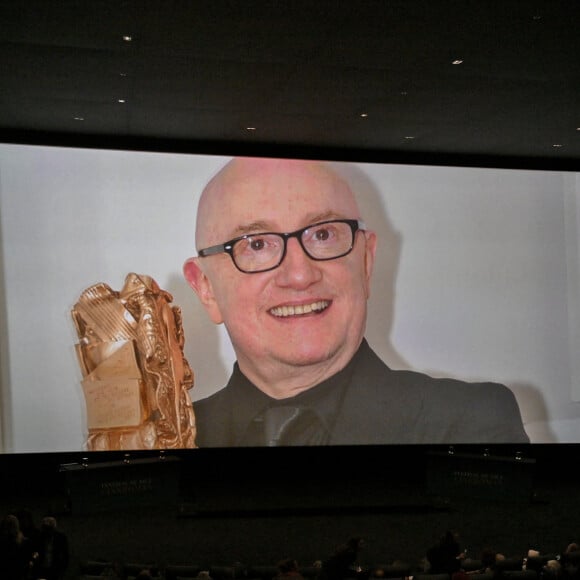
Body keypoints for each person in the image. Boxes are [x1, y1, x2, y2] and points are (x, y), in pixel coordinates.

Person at [183, 156, 530, 447]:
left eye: (322, 234)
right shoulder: (164, 442)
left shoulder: (468, 426)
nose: (300, 274)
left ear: (365, 263)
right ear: (205, 288)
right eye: (257, 244)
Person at [30, 516, 69, 580]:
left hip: (54, 569)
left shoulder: (60, 538)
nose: (47, 531)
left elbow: (65, 555)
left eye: (49, 529)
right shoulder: (38, 537)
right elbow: (34, 551)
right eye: (45, 529)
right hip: (41, 569)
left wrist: (62, 569)